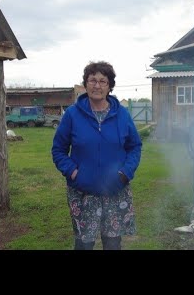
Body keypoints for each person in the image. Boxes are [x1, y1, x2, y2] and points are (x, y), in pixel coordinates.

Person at [52, 61, 142, 250]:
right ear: (85, 84)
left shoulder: (122, 115)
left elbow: (134, 147)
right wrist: (74, 172)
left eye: (103, 81)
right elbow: (58, 150)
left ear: (110, 86)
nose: (97, 85)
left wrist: (125, 173)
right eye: (92, 80)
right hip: (83, 193)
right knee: (84, 244)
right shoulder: (72, 115)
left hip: (115, 190)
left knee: (112, 244)